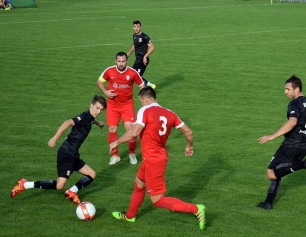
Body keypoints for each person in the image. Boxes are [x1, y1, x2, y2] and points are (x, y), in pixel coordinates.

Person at [109, 86, 206, 230]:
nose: (141, 105)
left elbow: (134, 132)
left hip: (153, 160)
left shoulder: (145, 110)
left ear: (146, 99)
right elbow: (189, 132)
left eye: (141, 102)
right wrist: (188, 146)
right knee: (139, 184)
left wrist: (116, 142)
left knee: (158, 200)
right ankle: (130, 216)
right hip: (154, 158)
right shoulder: (170, 113)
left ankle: (196, 209)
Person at [11, 95, 107, 204]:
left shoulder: (90, 117)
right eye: (97, 108)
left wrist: (98, 122)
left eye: (101, 110)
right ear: (91, 105)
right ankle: (25, 184)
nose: (98, 112)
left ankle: (71, 191)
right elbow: (68, 122)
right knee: (59, 185)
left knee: (92, 174)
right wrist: (55, 137)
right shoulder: (84, 117)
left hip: (73, 154)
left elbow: (90, 120)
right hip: (66, 153)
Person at [256, 75, 306, 210]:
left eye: (288, 89)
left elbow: (293, 121)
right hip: (304, 146)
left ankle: (304, 164)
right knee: (278, 172)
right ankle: (268, 203)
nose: (285, 92)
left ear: (297, 89)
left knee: (271, 172)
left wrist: (273, 136)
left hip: (291, 144)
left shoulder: (295, 103)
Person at [97, 52, 145, 165]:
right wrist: (105, 91)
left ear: (127, 61)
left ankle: (132, 153)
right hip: (112, 106)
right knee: (112, 130)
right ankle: (115, 155)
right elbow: (99, 82)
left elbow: (142, 86)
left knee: (131, 130)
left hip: (127, 105)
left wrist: (144, 101)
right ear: (116, 61)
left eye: (123, 61)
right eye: (119, 61)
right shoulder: (109, 71)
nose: (121, 63)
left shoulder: (133, 73)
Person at [127, 20, 156, 89]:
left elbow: (152, 47)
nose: (136, 28)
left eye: (138, 26)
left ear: (141, 27)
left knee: (137, 76)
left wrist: (145, 56)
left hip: (143, 60)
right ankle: (150, 86)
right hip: (138, 59)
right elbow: (135, 45)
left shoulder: (144, 37)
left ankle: (144, 92)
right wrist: (129, 53)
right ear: (133, 27)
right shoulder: (134, 36)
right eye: (135, 26)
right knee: (133, 75)